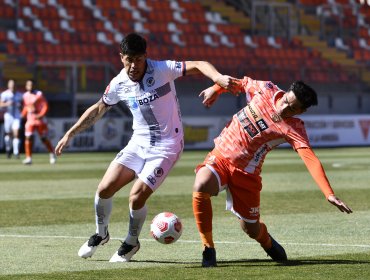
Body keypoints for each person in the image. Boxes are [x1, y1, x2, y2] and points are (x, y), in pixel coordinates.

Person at [54, 33, 236, 262]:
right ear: (121, 58)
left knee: (136, 197)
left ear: (145, 58)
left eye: (138, 59)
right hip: (138, 143)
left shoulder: (162, 69)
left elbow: (199, 65)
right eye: (129, 59)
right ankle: (101, 234)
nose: (133, 65)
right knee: (104, 189)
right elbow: (100, 108)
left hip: (167, 146)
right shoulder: (119, 83)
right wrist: (71, 133)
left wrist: (217, 78)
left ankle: (131, 243)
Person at [192, 77, 353, 267]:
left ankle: (266, 240)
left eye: (292, 108)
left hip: (247, 175)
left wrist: (329, 193)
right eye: (286, 100)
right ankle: (208, 248)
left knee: (251, 229)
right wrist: (215, 88)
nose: (284, 108)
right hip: (220, 157)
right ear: (285, 92)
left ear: (301, 111)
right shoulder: (264, 89)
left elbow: (310, 158)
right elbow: (234, 82)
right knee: (201, 184)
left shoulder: (294, 128)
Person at [22, 79, 56, 165]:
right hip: (30, 119)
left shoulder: (39, 94)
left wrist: (41, 115)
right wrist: (23, 114)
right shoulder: (25, 95)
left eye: (31, 85)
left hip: (39, 120)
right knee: (28, 137)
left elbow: (45, 105)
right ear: (26, 86)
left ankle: (52, 153)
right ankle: (28, 158)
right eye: (28, 85)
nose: (30, 86)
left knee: (43, 138)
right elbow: (27, 107)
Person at [0, 79, 23, 159]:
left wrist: (21, 108)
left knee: (16, 134)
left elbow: (23, 105)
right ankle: (8, 149)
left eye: (13, 84)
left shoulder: (20, 95)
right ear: (8, 85)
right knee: (8, 134)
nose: (12, 86)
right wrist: (7, 104)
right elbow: (0, 104)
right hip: (8, 116)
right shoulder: (5, 94)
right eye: (11, 84)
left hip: (17, 116)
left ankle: (16, 152)